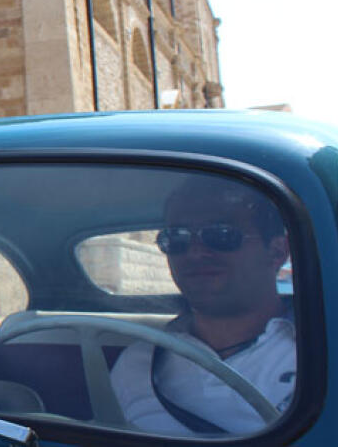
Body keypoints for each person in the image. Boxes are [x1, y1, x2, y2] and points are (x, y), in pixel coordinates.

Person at [110, 177, 293, 436]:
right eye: (176, 238)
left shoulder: (324, 353)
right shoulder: (136, 362)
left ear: (277, 252)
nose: (195, 253)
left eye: (221, 235)